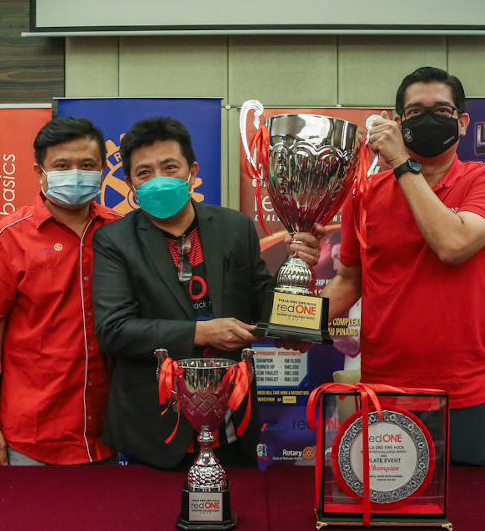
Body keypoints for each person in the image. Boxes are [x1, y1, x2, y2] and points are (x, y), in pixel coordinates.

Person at [93, 116, 323, 469]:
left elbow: (260, 298)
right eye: (144, 172)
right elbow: (115, 330)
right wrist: (202, 332)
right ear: (130, 183)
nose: (159, 179)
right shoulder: (114, 240)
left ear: (192, 171)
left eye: (170, 167)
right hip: (156, 429)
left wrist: (297, 273)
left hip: (233, 419)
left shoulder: (234, 227)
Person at [321, 66, 485, 465]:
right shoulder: (365, 193)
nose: (428, 120)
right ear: (396, 121)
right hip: (384, 389)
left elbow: (453, 244)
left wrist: (402, 166)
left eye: (441, 112)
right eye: (414, 112)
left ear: (462, 123)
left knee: (474, 516)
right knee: (387, 514)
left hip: (462, 392)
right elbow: (348, 279)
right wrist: (300, 322)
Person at [0, 117, 120, 466]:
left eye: (87, 165)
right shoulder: (7, 237)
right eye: (62, 165)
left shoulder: (122, 231)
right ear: (40, 171)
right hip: (31, 435)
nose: (76, 174)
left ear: (102, 170)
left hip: (110, 430)